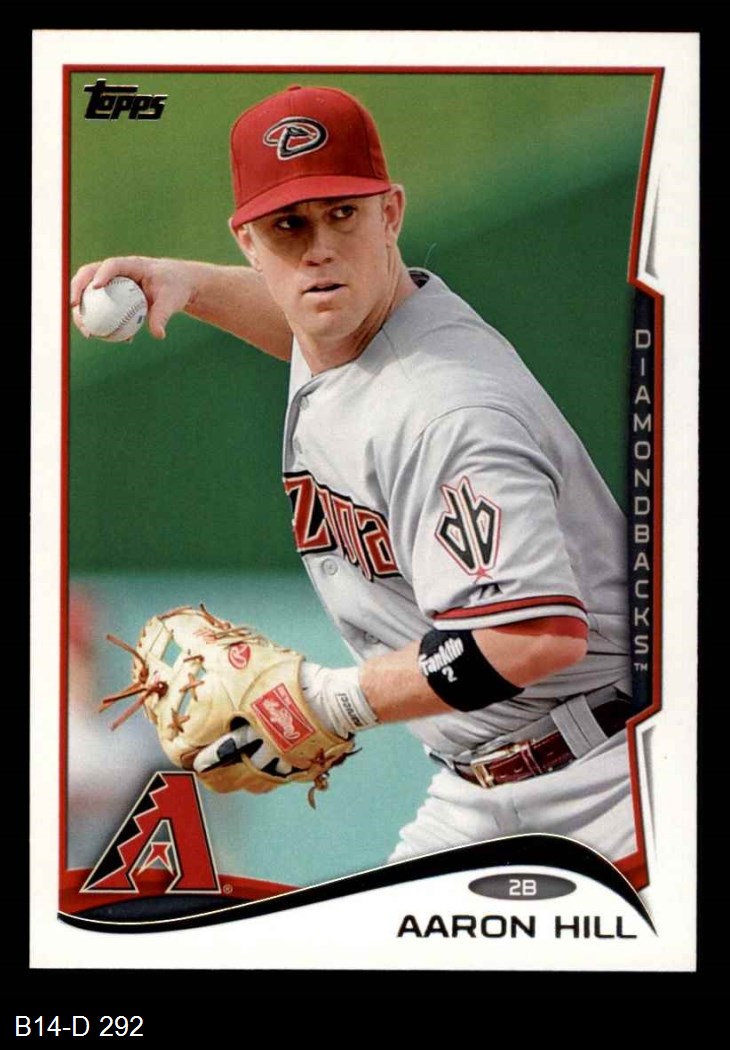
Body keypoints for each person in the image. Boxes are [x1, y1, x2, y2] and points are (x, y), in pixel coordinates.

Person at [71, 84, 636, 866]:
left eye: (343, 213)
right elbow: (309, 328)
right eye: (288, 226)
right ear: (248, 241)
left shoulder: (451, 413)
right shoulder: (354, 326)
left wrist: (326, 700)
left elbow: (530, 637)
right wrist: (191, 285)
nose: (319, 250)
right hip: (480, 785)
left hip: (614, 781)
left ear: (391, 213)